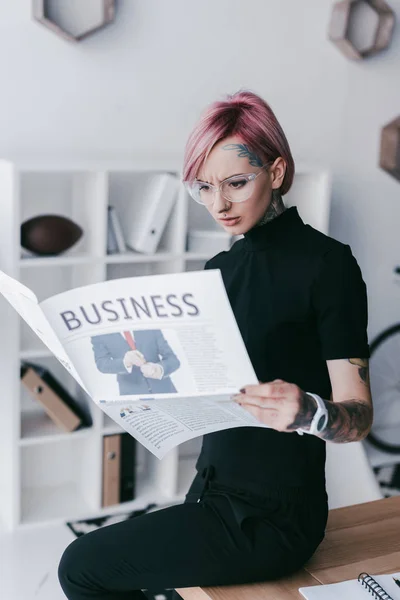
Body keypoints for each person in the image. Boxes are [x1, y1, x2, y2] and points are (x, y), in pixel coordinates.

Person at [58, 90, 373, 599]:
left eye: (235, 183)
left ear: (276, 171)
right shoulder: (218, 270)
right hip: (210, 491)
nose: (218, 204)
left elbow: (358, 417)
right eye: (203, 187)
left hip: (275, 516)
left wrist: (310, 412)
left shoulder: (328, 265)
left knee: (80, 566)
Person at [90, 329, 180, 395]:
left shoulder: (147, 325)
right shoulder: (99, 333)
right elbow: (102, 363)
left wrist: (159, 369)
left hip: (166, 391)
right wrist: (125, 363)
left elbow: (173, 359)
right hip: (132, 395)